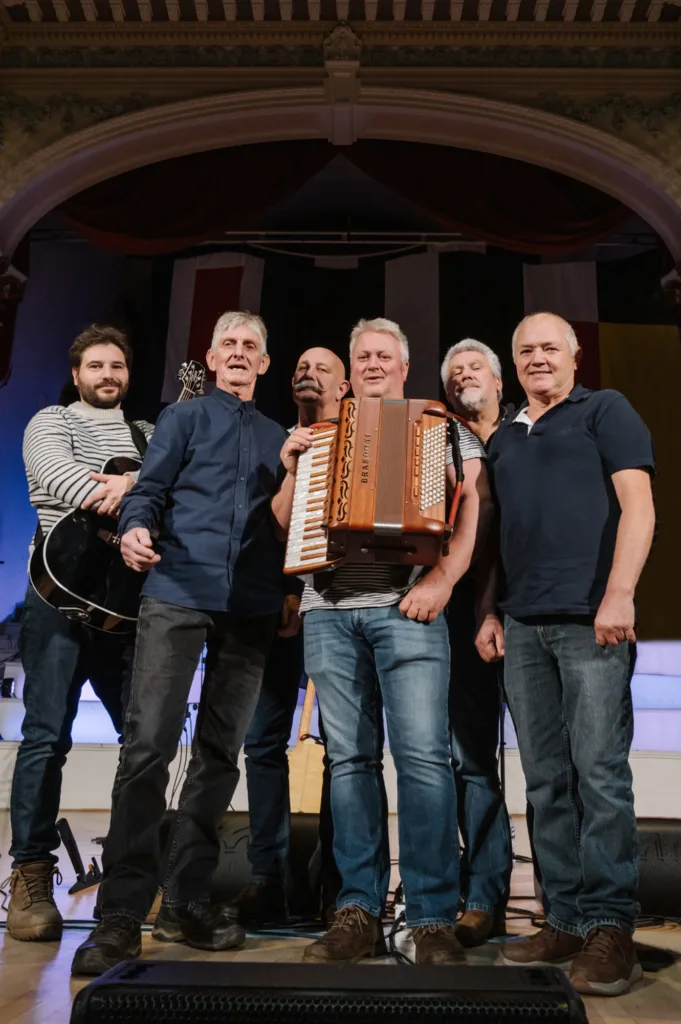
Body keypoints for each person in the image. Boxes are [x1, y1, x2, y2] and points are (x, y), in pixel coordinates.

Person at [71, 311, 289, 976]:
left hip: (249, 607)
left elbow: (288, 526)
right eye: (230, 344)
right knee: (147, 748)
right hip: (176, 592)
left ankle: (188, 898)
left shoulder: (282, 437)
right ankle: (118, 914)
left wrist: (286, 589)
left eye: (253, 345)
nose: (240, 354)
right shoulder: (184, 418)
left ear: (265, 363)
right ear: (211, 356)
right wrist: (136, 529)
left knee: (221, 755)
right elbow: (151, 489)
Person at [273, 318, 491, 965]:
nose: (371, 364)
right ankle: (357, 910)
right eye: (361, 356)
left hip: (409, 609)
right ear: (351, 366)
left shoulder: (438, 426)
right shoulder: (316, 435)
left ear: (403, 364)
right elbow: (284, 523)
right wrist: (289, 470)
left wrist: (446, 581)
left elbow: (471, 503)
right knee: (348, 762)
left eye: (382, 356)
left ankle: (430, 918)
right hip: (329, 611)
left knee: (424, 760)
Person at [476, 312, 655, 996]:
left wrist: (619, 593)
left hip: (591, 622)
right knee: (547, 781)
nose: (538, 358)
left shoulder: (606, 410)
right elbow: (497, 536)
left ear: (575, 355)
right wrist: (489, 609)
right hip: (524, 626)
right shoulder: (509, 437)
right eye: (526, 351)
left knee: (600, 774)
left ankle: (613, 929)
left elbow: (639, 507)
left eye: (550, 347)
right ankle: (569, 920)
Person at [2, 325, 153, 943]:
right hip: (56, 603)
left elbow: (177, 489)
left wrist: (142, 481)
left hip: (123, 611)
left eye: (117, 364)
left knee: (143, 746)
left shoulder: (146, 434)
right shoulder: (49, 422)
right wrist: (128, 485)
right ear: (76, 372)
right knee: (45, 738)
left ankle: (131, 875)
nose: (107, 374)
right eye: (96, 365)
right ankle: (31, 874)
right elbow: (61, 481)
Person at [232, 347, 349, 926]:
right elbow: (265, 527)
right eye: (302, 366)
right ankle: (267, 877)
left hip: (340, 610)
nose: (310, 373)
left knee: (346, 749)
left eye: (324, 368)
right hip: (275, 610)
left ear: (345, 384)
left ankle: (336, 880)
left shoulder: (360, 440)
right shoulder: (273, 441)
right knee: (261, 741)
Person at [440, 339, 513, 948]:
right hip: (462, 617)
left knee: (553, 768)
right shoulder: (440, 442)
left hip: (536, 613)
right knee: (469, 758)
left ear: (498, 377)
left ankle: (573, 911)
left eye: (475, 368)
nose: (466, 376)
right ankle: (482, 897)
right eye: (455, 372)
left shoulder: (530, 431)